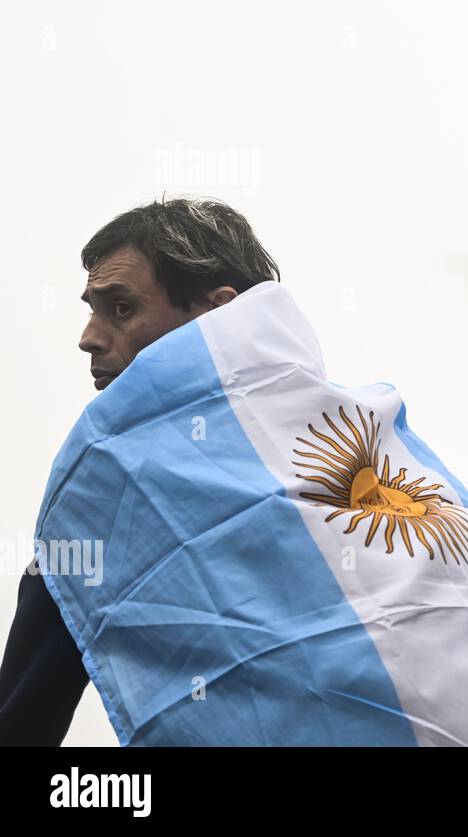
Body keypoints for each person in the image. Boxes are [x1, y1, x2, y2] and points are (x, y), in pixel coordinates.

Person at [0, 197, 277, 744]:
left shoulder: (358, 467)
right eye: (91, 309)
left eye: (121, 309)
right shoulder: (95, 512)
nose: (89, 337)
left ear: (217, 314)